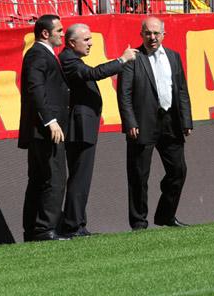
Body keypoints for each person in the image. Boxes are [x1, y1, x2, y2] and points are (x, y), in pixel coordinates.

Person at [59, 23, 138, 237]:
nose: (90, 43)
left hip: (84, 126)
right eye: (86, 40)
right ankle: (73, 225)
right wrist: (121, 60)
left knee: (81, 177)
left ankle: (78, 223)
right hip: (79, 128)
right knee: (80, 176)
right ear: (71, 42)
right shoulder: (68, 60)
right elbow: (94, 73)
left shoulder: (72, 59)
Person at [117, 16, 193, 230]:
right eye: (148, 33)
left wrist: (186, 120)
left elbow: (181, 90)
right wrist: (129, 122)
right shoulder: (133, 58)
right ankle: (139, 222)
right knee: (139, 175)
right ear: (141, 34)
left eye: (156, 33)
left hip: (170, 122)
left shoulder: (173, 56)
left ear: (163, 35)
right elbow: (124, 94)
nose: (152, 37)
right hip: (142, 123)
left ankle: (166, 215)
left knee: (178, 170)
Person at [18, 14, 70, 241]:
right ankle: (45, 228)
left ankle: (34, 229)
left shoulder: (42, 54)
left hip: (41, 129)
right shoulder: (38, 55)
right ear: (45, 33)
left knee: (39, 178)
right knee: (53, 178)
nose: (62, 34)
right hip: (45, 130)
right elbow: (36, 89)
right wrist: (50, 121)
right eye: (59, 30)